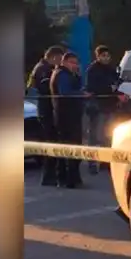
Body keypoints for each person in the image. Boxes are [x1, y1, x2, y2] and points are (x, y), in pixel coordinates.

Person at [27, 45, 65, 186]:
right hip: (45, 110)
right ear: (53, 57)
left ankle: (51, 176)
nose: (60, 62)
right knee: (50, 143)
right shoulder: (43, 69)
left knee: (52, 142)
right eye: (60, 58)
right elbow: (45, 89)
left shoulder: (44, 68)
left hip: (46, 109)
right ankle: (48, 177)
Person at [50, 52, 88, 188]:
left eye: (76, 63)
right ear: (64, 62)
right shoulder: (61, 75)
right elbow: (65, 92)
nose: (75, 66)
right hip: (66, 117)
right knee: (69, 148)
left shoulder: (69, 75)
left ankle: (71, 177)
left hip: (71, 116)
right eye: (72, 63)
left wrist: (78, 76)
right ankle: (68, 179)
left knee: (71, 147)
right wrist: (82, 94)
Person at [83, 45, 119, 175]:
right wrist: (109, 88)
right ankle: (92, 163)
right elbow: (92, 87)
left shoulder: (110, 69)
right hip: (97, 107)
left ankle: (105, 162)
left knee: (107, 136)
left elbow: (116, 81)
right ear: (97, 56)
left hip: (109, 106)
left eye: (107, 56)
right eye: (103, 55)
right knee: (94, 136)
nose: (106, 58)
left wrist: (116, 91)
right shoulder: (92, 70)